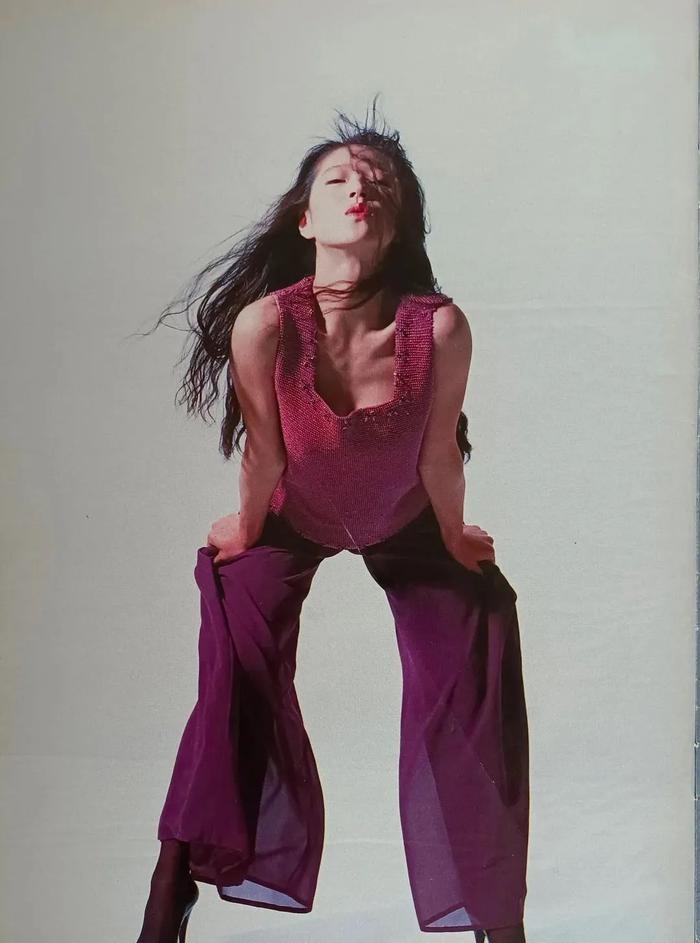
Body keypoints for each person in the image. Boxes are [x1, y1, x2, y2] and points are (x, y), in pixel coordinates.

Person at [134, 100, 530, 943]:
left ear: (399, 223)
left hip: (407, 517)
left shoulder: (440, 327)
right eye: (339, 179)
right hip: (295, 514)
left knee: (480, 644)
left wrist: (456, 534)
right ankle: (171, 889)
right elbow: (265, 455)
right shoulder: (265, 325)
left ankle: (501, 923)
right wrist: (246, 529)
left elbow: (438, 453)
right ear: (306, 219)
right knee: (233, 673)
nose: (360, 189)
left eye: (380, 184)